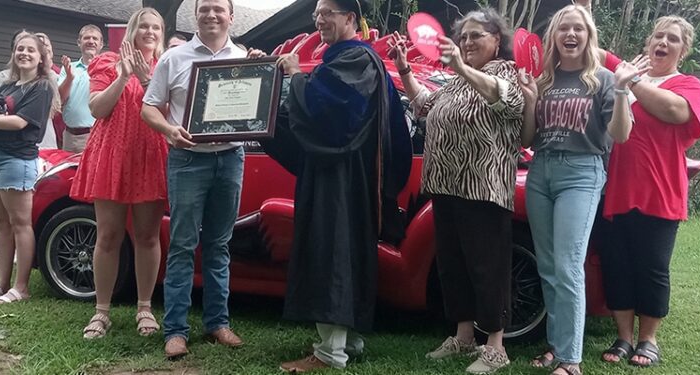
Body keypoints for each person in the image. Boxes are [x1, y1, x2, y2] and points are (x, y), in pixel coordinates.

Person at [269, 0, 412, 372]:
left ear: (350, 18)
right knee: (346, 254)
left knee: (331, 252)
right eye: (316, 14)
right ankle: (349, 340)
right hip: (349, 177)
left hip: (339, 179)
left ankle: (330, 353)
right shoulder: (350, 59)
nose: (319, 19)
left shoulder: (355, 59)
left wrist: (296, 75)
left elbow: (328, 115)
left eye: (327, 12)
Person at [389, 8, 523, 374]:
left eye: (476, 35)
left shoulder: (505, 73)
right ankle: (463, 336)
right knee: (453, 265)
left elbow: (505, 99)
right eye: (464, 37)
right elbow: (422, 106)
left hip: (483, 187)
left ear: (498, 41)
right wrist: (404, 70)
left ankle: (495, 345)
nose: (467, 42)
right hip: (445, 185)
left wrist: (463, 68)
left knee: (487, 267)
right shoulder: (455, 81)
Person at [517, 5, 646, 375]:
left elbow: (620, 134)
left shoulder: (604, 78)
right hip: (541, 170)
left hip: (581, 173)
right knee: (548, 266)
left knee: (569, 265)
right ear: (554, 37)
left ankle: (571, 361)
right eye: (563, 29)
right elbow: (529, 138)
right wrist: (529, 100)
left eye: (578, 29)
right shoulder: (544, 79)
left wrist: (622, 89)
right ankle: (557, 346)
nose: (571, 35)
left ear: (589, 36)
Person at [141, 0, 264, 359]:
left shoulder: (244, 58)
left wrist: (260, 67)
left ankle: (217, 323)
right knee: (181, 246)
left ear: (230, 16)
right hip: (186, 160)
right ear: (194, 15)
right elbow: (149, 107)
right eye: (204, 8)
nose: (211, 14)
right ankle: (175, 331)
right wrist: (169, 130)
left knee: (219, 245)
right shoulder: (174, 58)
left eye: (218, 9)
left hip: (230, 159)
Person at [599, 16, 700, 367]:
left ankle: (649, 340)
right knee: (617, 265)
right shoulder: (625, 74)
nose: (663, 42)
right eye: (658, 36)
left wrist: (632, 81)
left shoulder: (685, 83)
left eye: (672, 39)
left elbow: (674, 111)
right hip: (617, 188)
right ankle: (624, 339)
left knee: (652, 267)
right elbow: (593, 47)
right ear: (648, 43)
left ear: (683, 50)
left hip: (661, 191)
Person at [70, 7, 168, 340]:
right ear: (132, 30)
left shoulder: (168, 65)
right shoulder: (108, 61)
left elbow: (172, 113)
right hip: (111, 155)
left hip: (150, 155)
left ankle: (144, 308)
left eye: (156, 27)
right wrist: (124, 76)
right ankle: (102, 312)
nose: (150, 32)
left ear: (162, 33)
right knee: (108, 236)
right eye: (144, 26)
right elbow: (96, 109)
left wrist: (145, 79)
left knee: (147, 236)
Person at [0, 32, 57, 304]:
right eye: (20, 49)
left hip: (16, 159)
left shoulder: (42, 87)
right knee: (1, 224)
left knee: (20, 223)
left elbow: (20, 122)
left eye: (31, 50)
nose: (24, 53)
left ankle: (21, 287)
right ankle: (1, 283)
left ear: (41, 57)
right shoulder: (8, 86)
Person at [59, 24, 104, 152]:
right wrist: (69, 77)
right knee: (68, 172)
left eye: (95, 39)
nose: (91, 41)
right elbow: (60, 99)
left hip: (95, 135)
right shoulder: (68, 68)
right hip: (69, 136)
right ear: (79, 42)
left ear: (101, 44)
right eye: (87, 38)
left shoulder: (106, 68)